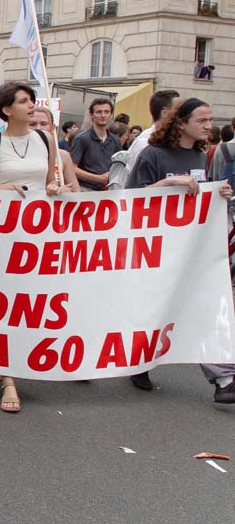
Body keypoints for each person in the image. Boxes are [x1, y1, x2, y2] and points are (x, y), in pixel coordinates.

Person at [0, 82, 68, 413]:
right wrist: (2, 187)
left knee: (30, 298)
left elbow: (50, 179)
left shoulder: (46, 139)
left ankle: (5, 357)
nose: (30, 106)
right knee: (6, 299)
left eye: (31, 101)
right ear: (7, 109)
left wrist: (54, 187)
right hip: (3, 233)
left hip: (38, 233)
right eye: (23, 101)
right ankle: (9, 378)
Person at [127, 98, 234, 396]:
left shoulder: (203, 157)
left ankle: (223, 378)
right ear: (181, 122)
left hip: (190, 248)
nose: (208, 126)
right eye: (202, 121)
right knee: (154, 308)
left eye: (210, 120)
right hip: (156, 248)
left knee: (199, 304)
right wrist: (167, 185)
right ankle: (138, 361)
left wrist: (219, 193)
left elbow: (201, 196)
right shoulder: (153, 155)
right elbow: (132, 197)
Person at [126, 90, 180, 178]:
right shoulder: (144, 142)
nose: (183, 114)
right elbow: (137, 183)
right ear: (165, 113)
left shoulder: (174, 140)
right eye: (178, 110)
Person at [70, 98, 122, 191]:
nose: (103, 115)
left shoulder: (116, 141)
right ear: (91, 115)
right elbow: (72, 168)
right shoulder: (81, 139)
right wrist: (98, 178)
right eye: (99, 112)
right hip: (85, 190)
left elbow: (119, 167)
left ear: (111, 115)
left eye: (106, 112)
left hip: (108, 190)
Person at [30, 106, 80, 192]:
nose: (38, 128)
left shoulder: (63, 156)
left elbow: (76, 191)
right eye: (32, 124)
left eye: (44, 124)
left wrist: (63, 191)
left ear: (52, 127)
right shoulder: (17, 154)